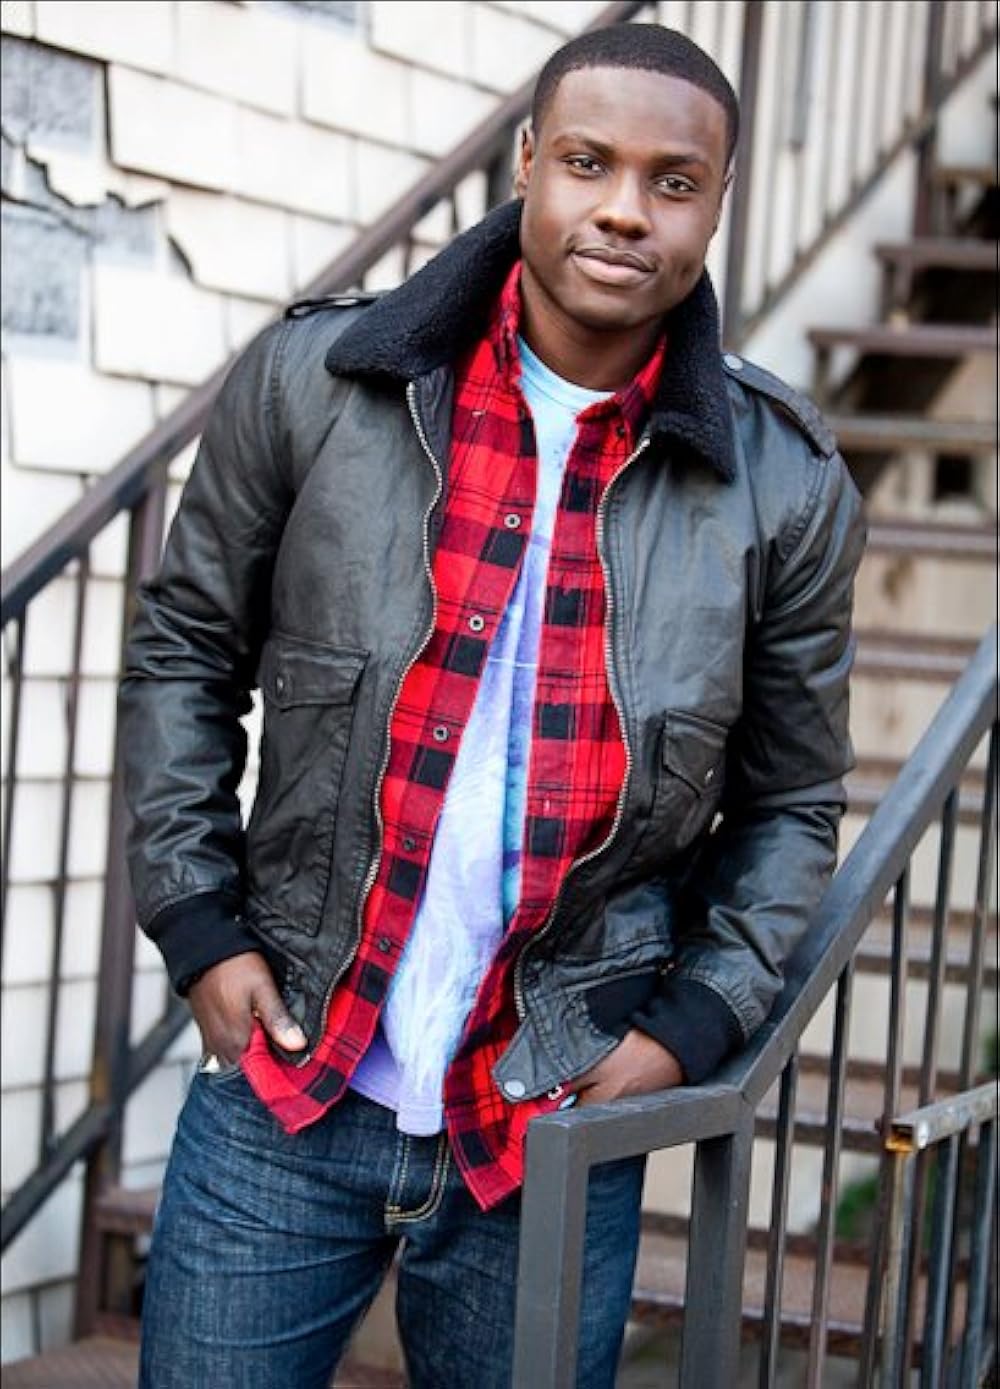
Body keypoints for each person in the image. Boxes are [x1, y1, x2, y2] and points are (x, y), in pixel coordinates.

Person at [121, 21, 865, 1389]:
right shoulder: (321, 383)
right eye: (588, 162)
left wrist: (688, 1027)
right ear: (527, 163)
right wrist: (197, 920)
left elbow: (791, 802)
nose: (625, 210)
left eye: (673, 181)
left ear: (717, 203)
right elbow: (184, 648)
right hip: (293, 1074)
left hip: (549, 1118)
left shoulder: (787, 486)